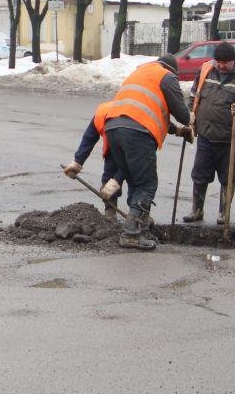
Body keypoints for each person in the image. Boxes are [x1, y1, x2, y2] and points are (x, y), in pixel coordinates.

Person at [63, 54, 192, 250]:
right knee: (147, 183)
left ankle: (141, 227)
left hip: (115, 130)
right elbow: (181, 114)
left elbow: (146, 111)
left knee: (135, 178)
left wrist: (176, 130)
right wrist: (191, 119)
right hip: (138, 133)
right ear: (172, 70)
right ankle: (131, 233)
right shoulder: (166, 76)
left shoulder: (139, 74)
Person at [182, 42, 235, 225]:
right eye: (219, 62)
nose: (221, 66)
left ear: (234, 60)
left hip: (230, 139)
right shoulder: (206, 69)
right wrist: (191, 116)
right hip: (206, 135)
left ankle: (224, 213)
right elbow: (194, 94)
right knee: (199, 174)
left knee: (228, 176)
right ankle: (196, 210)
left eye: (226, 63)